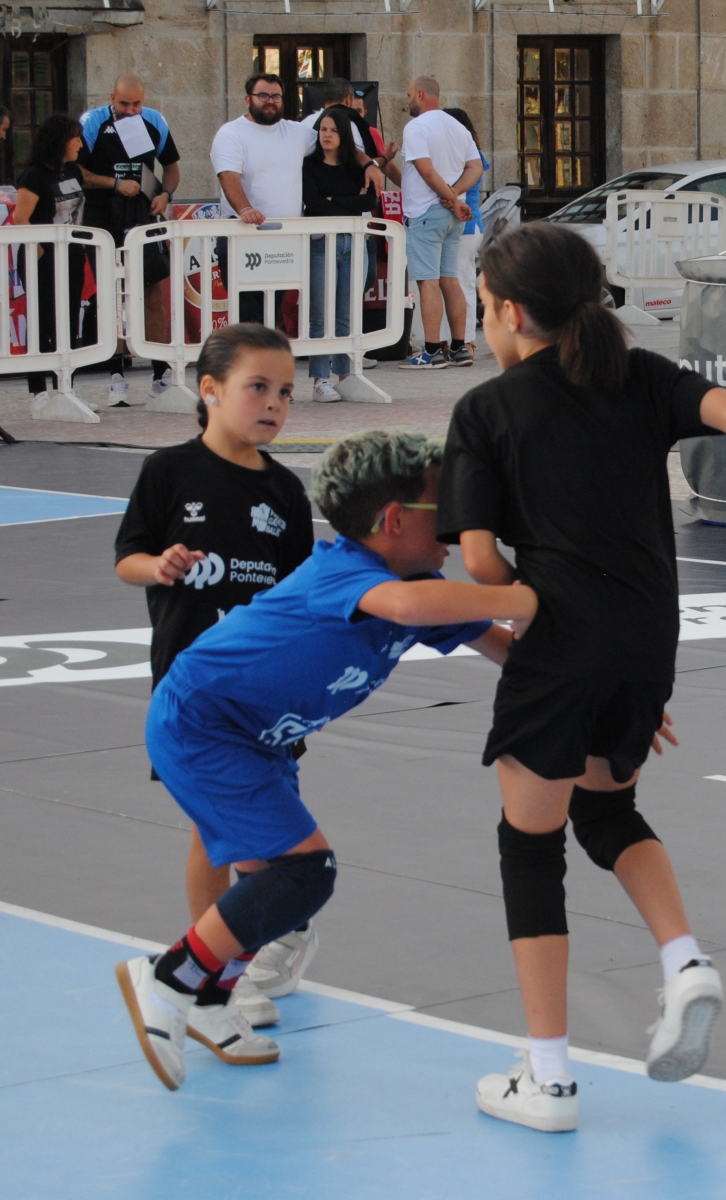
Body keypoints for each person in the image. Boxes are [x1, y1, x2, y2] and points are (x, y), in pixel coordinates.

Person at [437, 223, 726, 1132]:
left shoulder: (487, 410)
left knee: (529, 848)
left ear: (509, 312)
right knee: (606, 810)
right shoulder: (638, 374)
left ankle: (548, 1077)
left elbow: (482, 566)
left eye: (484, 307)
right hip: (648, 640)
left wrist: (536, 611)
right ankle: (684, 960)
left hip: (560, 641)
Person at [117, 426, 538, 1092]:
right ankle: (171, 977)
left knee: (271, 890)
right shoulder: (346, 571)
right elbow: (407, 606)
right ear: (394, 521)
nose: (458, 531)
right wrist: (530, 595)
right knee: (306, 873)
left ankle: (207, 998)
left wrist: (598, 697)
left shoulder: (419, 584)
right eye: (446, 513)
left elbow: (510, 655)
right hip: (201, 725)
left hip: (258, 738)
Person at [114, 323, 317, 1023]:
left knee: (264, 827)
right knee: (216, 827)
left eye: (285, 392)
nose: (274, 404)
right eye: (257, 387)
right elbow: (128, 558)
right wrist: (159, 565)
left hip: (266, 694)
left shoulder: (286, 491)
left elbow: (301, 596)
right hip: (194, 692)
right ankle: (217, 968)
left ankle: (274, 934)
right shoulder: (168, 472)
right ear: (209, 390)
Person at [211, 72, 387, 327]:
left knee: (273, 310)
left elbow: (342, 143)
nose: (270, 101)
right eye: (263, 95)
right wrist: (245, 208)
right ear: (248, 99)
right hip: (243, 236)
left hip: (285, 239)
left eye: (276, 96)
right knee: (248, 313)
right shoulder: (231, 133)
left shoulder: (296, 132)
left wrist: (369, 164)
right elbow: (228, 177)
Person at [78, 75, 183, 397]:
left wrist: (165, 195)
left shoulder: (154, 120)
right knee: (111, 293)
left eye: (137, 103)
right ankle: (116, 375)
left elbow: (172, 167)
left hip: (142, 212)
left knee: (152, 290)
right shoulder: (92, 121)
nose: (131, 110)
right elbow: (78, 171)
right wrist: (114, 183)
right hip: (102, 213)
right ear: (112, 97)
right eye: (124, 103)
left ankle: (160, 372)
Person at [397, 77, 484, 371]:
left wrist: (450, 196)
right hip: (451, 214)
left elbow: (426, 171)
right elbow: (475, 166)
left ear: (421, 94)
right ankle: (459, 347)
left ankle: (432, 351)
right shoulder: (458, 127)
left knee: (428, 282)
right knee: (450, 279)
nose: (407, 100)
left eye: (409, 95)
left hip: (425, 211)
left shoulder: (416, 127)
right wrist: (455, 195)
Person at [302, 106, 379, 401]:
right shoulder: (310, 165)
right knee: (320, 314)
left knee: (347, 312)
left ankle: (346, 374)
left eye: (333, 130)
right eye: (323, 129)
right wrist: (348, 202)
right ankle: (320, 378)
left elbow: (369, 201)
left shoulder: (355, 167)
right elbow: (313, 203)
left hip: (353, 242)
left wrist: (334, 199)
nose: (327, 135)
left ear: (344, 135)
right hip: (321, 242)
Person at [12, 114, 90, 401]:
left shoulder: (74, 171)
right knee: (41, 320)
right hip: (42, 257)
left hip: (72, 254)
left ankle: (65, 388)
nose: (80, 144)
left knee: (68, 320)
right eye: (75, 138)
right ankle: (38, 390)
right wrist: (41, 252)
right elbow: (21, 218)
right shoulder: (33, 176)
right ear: (60, 141)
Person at [448, 107, 491, 362]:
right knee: (456, 281)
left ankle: (466, 340)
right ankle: (456, 340)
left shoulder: (470, 154)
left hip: (466, 227)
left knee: (462, 282)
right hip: (463, 227)